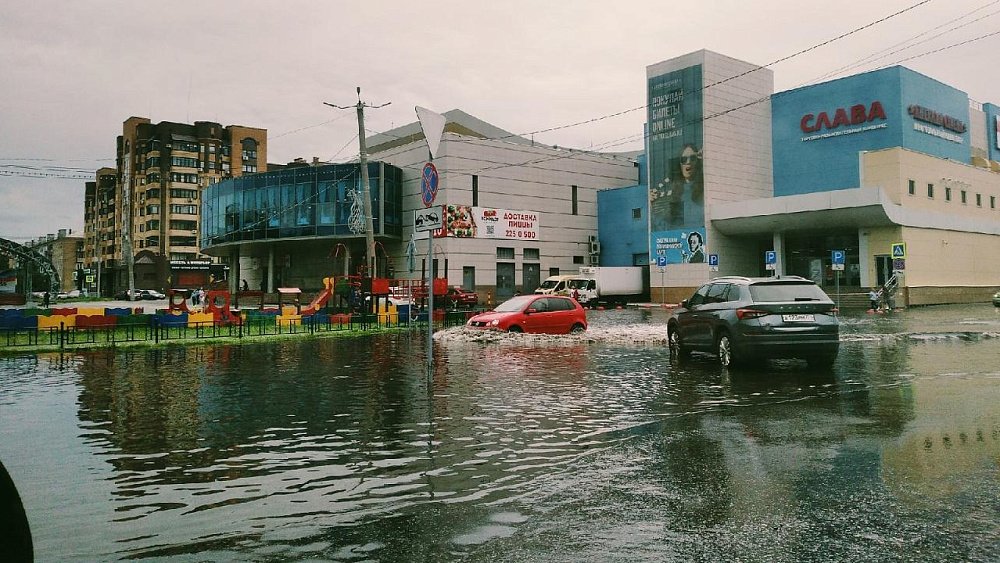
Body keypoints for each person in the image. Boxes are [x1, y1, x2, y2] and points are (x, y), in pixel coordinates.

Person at [650, 143, 705, 231]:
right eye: (684, 159)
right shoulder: (676, 194)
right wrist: (651, 207)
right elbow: (669, 225)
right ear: (680, 164)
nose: (688, 162)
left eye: (692, 158)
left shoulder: (705, 187)